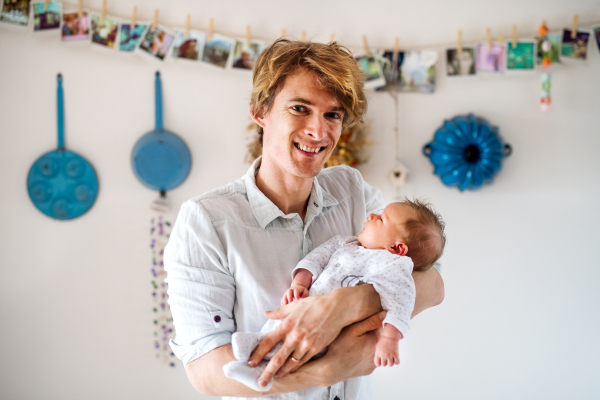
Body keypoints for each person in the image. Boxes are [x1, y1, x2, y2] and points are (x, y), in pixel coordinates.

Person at [164, 38, 445, 399]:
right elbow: (206, 371)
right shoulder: (206, 221)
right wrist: (326, 371)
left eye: (333, 114)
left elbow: (434, 283)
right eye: (300, 108)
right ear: (260, 111)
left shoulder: (352, 190)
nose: (319, 131)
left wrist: (349, 303)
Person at [223, 199, 446, 391]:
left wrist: (390, 339)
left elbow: (401, 301)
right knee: (282, 327)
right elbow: (316, 258)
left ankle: (258, 367)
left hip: (336, 332)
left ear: (397, 248)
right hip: (307, 305)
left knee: (299, 345)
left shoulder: (395, 266)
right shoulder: (346, 243)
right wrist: (300, 283)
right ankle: (253, 357)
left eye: (381, 219)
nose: (371, 214)